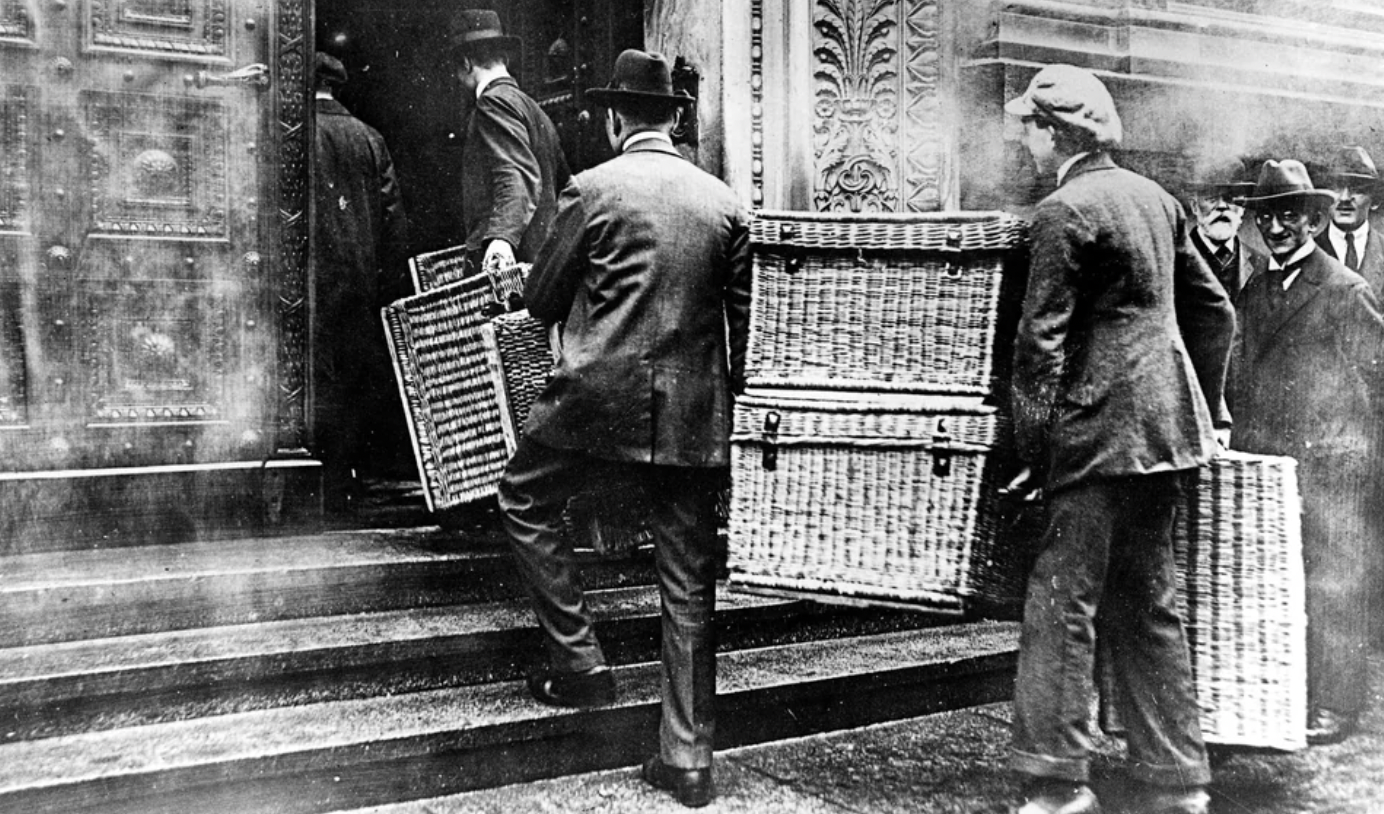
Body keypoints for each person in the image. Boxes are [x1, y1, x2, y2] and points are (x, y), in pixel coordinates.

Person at [496, 49, 749, 809]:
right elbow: (745, 324)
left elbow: (540, 302)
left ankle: (579, 663)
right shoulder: (724, 204)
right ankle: (688, 759)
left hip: (591, 405)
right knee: (686, 580)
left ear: (613, 119)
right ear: (673, 119)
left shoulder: (592, 189)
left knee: (524, 500)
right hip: (691, 414)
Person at [1003, 64, 1234, 814]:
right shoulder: (1156, 201)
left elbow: (1040, 348)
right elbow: (1216, 314)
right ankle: (1179, 780)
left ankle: (1058, 783)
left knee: (1061, 603)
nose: (1027, 143)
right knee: (1150, 600)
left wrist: (1030, 453)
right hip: (1163, 436)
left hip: (1093, 435)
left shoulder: (1063, 211)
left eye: (1030, 129)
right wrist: (1204, 405)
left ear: (1055, 131)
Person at [1228, 158, 1384, 745]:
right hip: (1273, 459)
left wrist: (1358, 458)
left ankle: (1338, 705)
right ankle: (1290, 695)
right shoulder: (1257, 288)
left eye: (1290, 216)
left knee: (1335, 583)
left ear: (1316, 222)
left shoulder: (1347, 289)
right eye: (1267, 217)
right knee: (1282, 582)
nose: (1276, 229)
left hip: (1334, 463)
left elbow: (1378, 385)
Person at [311, 51, 409, 512]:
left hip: (308, 281)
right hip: (359, 281)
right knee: (352, 380)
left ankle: (313, 481)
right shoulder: (371, 139)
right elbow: (393, 225)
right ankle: (345, 476)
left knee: (311, 377)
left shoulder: (294, 132)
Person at [449, 9, 569, 275]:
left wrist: (502, 239)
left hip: (506, 269)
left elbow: (515, 172)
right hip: (539, 263)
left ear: (467, 63)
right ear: (502, 57)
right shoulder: (532, 108)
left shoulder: (493, 103)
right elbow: (564, 185)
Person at [1185, 153, 1261, 300]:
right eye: (1211, 198)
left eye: (1230, 198)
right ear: (1194, 206)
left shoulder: (1261, 265)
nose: (1221, 206)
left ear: (1243, 206)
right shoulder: (1173, 261)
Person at [1316, 146, 1384, 292]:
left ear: (1376, 200)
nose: (1344, 198)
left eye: (1357, 189)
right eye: (1336, 188)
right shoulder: (1306, 253)